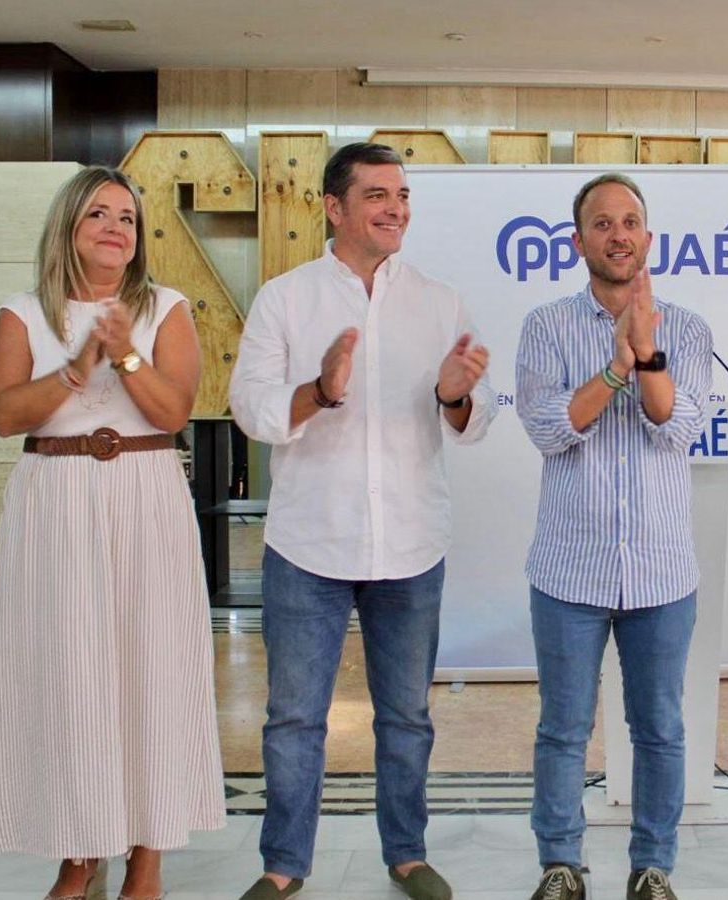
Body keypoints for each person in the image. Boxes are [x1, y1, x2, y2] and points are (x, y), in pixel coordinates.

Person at [228, 142, 496, 900]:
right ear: (332, 207)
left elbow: (476, 425)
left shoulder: (439, 301)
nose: (397, 209)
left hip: (411, 546)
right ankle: (284, 866)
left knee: (407, 717)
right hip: (308, 545)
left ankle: (406, 854)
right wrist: (319, 389)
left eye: (403, 196)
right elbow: (251, 409)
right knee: (293, 720)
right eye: (378, 194)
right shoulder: (285, 298)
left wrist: (453, 395)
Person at [0, 164, 225, 900]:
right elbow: (4, 414)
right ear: (69, 229)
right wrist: (77, 367)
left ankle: (148, 858)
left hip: (145, 496)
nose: (117, 228)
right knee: (70, 673)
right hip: (55, 499)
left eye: (128, 218)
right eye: (99, 215)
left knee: (150, 668)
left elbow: (174, 410)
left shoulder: (167, 307)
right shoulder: (24, 312)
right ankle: (80, 853)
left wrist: (123, 354)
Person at [515, 173, 714, 900]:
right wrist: (614, 366)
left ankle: (652, 866)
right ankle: (560, 865)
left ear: (648, 239)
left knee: (659, 728)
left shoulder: (687, 330)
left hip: (661, 573)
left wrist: (647, 352)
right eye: (602, 223)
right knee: (564, 730)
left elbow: (678, 425)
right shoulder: (545, 326)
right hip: (570, 569)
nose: (618, 234)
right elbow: (548, 429)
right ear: (578, 242)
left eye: (630, 222)